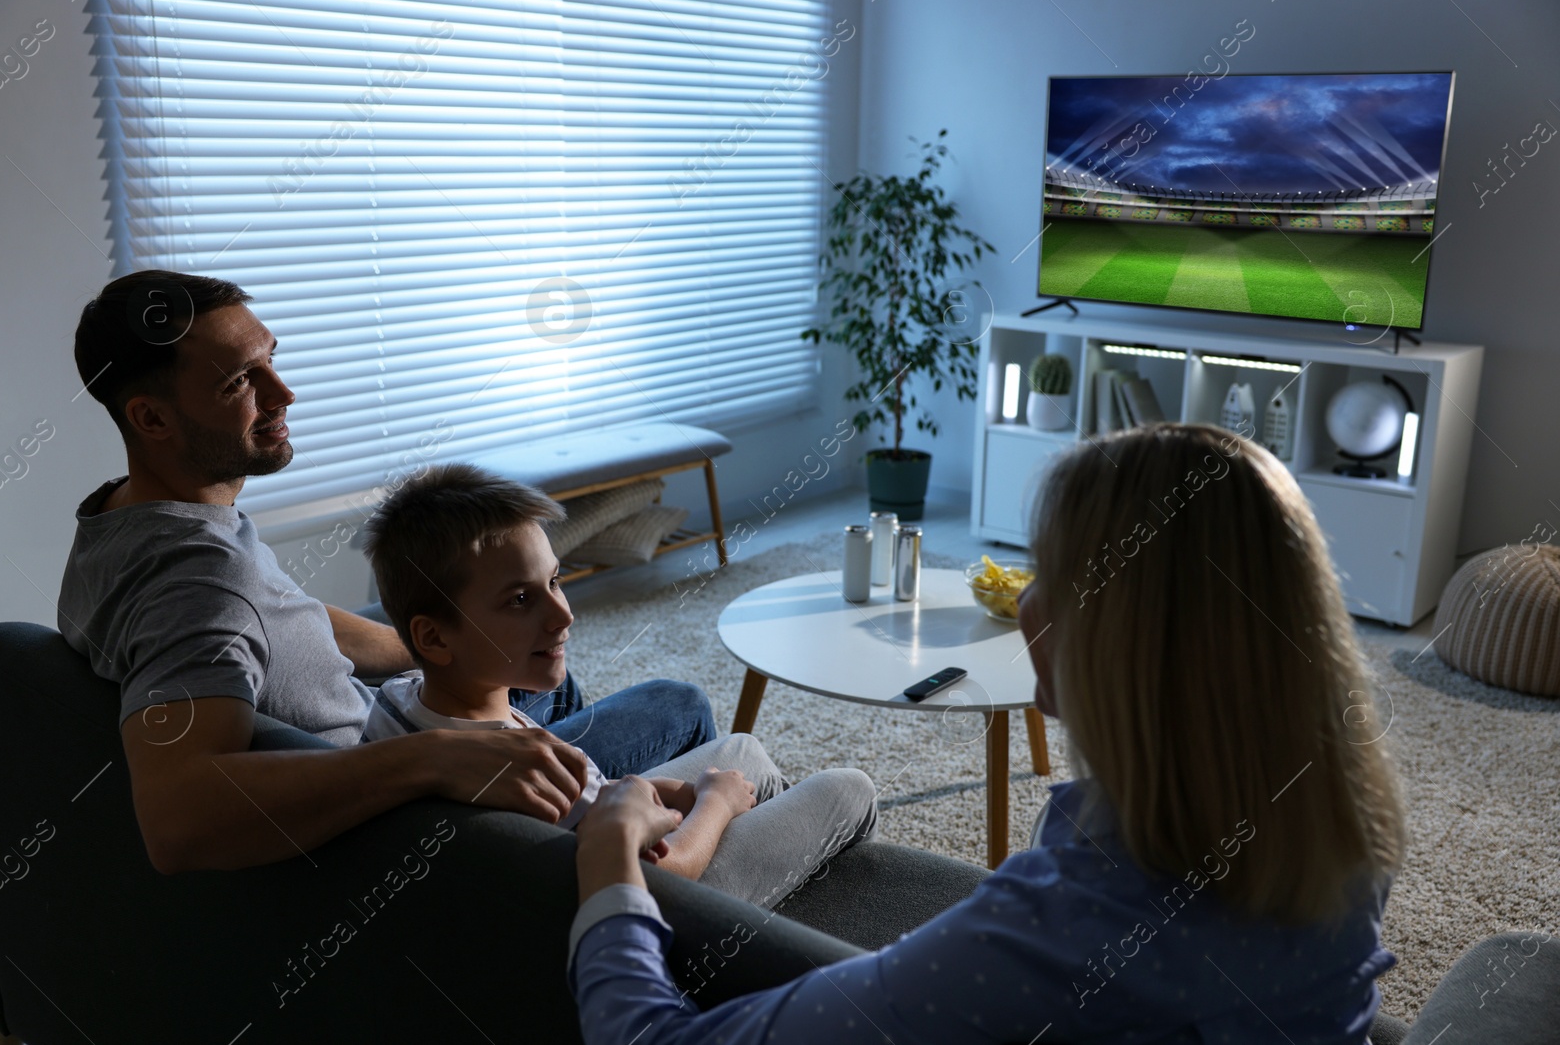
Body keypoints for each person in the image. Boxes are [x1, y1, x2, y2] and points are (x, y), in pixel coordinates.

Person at [567, 422, 1408, 1044]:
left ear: (1120, 640)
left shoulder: (1060, 933)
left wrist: (608, 859)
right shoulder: (1338, 837)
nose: (1030, 602)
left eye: (1052, 571)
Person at [57, 269, 716, 874]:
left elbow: (283, 616)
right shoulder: (200, 588)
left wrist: (443, 644)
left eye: (271, 358)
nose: (283, 393)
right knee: (676, 702)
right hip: (407, 787)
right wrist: (435, 757)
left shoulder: (124, 520)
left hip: (389, 722)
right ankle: (644, 871)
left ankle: (579, 793)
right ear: (151, 417)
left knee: (542, 670)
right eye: (239, 383)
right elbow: (179, 823)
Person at [355, 463, 878, 906]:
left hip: (597, 864)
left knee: (742, 753)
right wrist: (713, 808)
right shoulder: (533, 770)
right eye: (520, 599)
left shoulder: (399, 701)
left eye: (554, 582)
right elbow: (658, 877)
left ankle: (784, 865)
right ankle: (803, 926)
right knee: (849, 788)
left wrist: (694, 794)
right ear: (434, 637)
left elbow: (602, 798)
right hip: (664, 919)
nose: (563, 614)